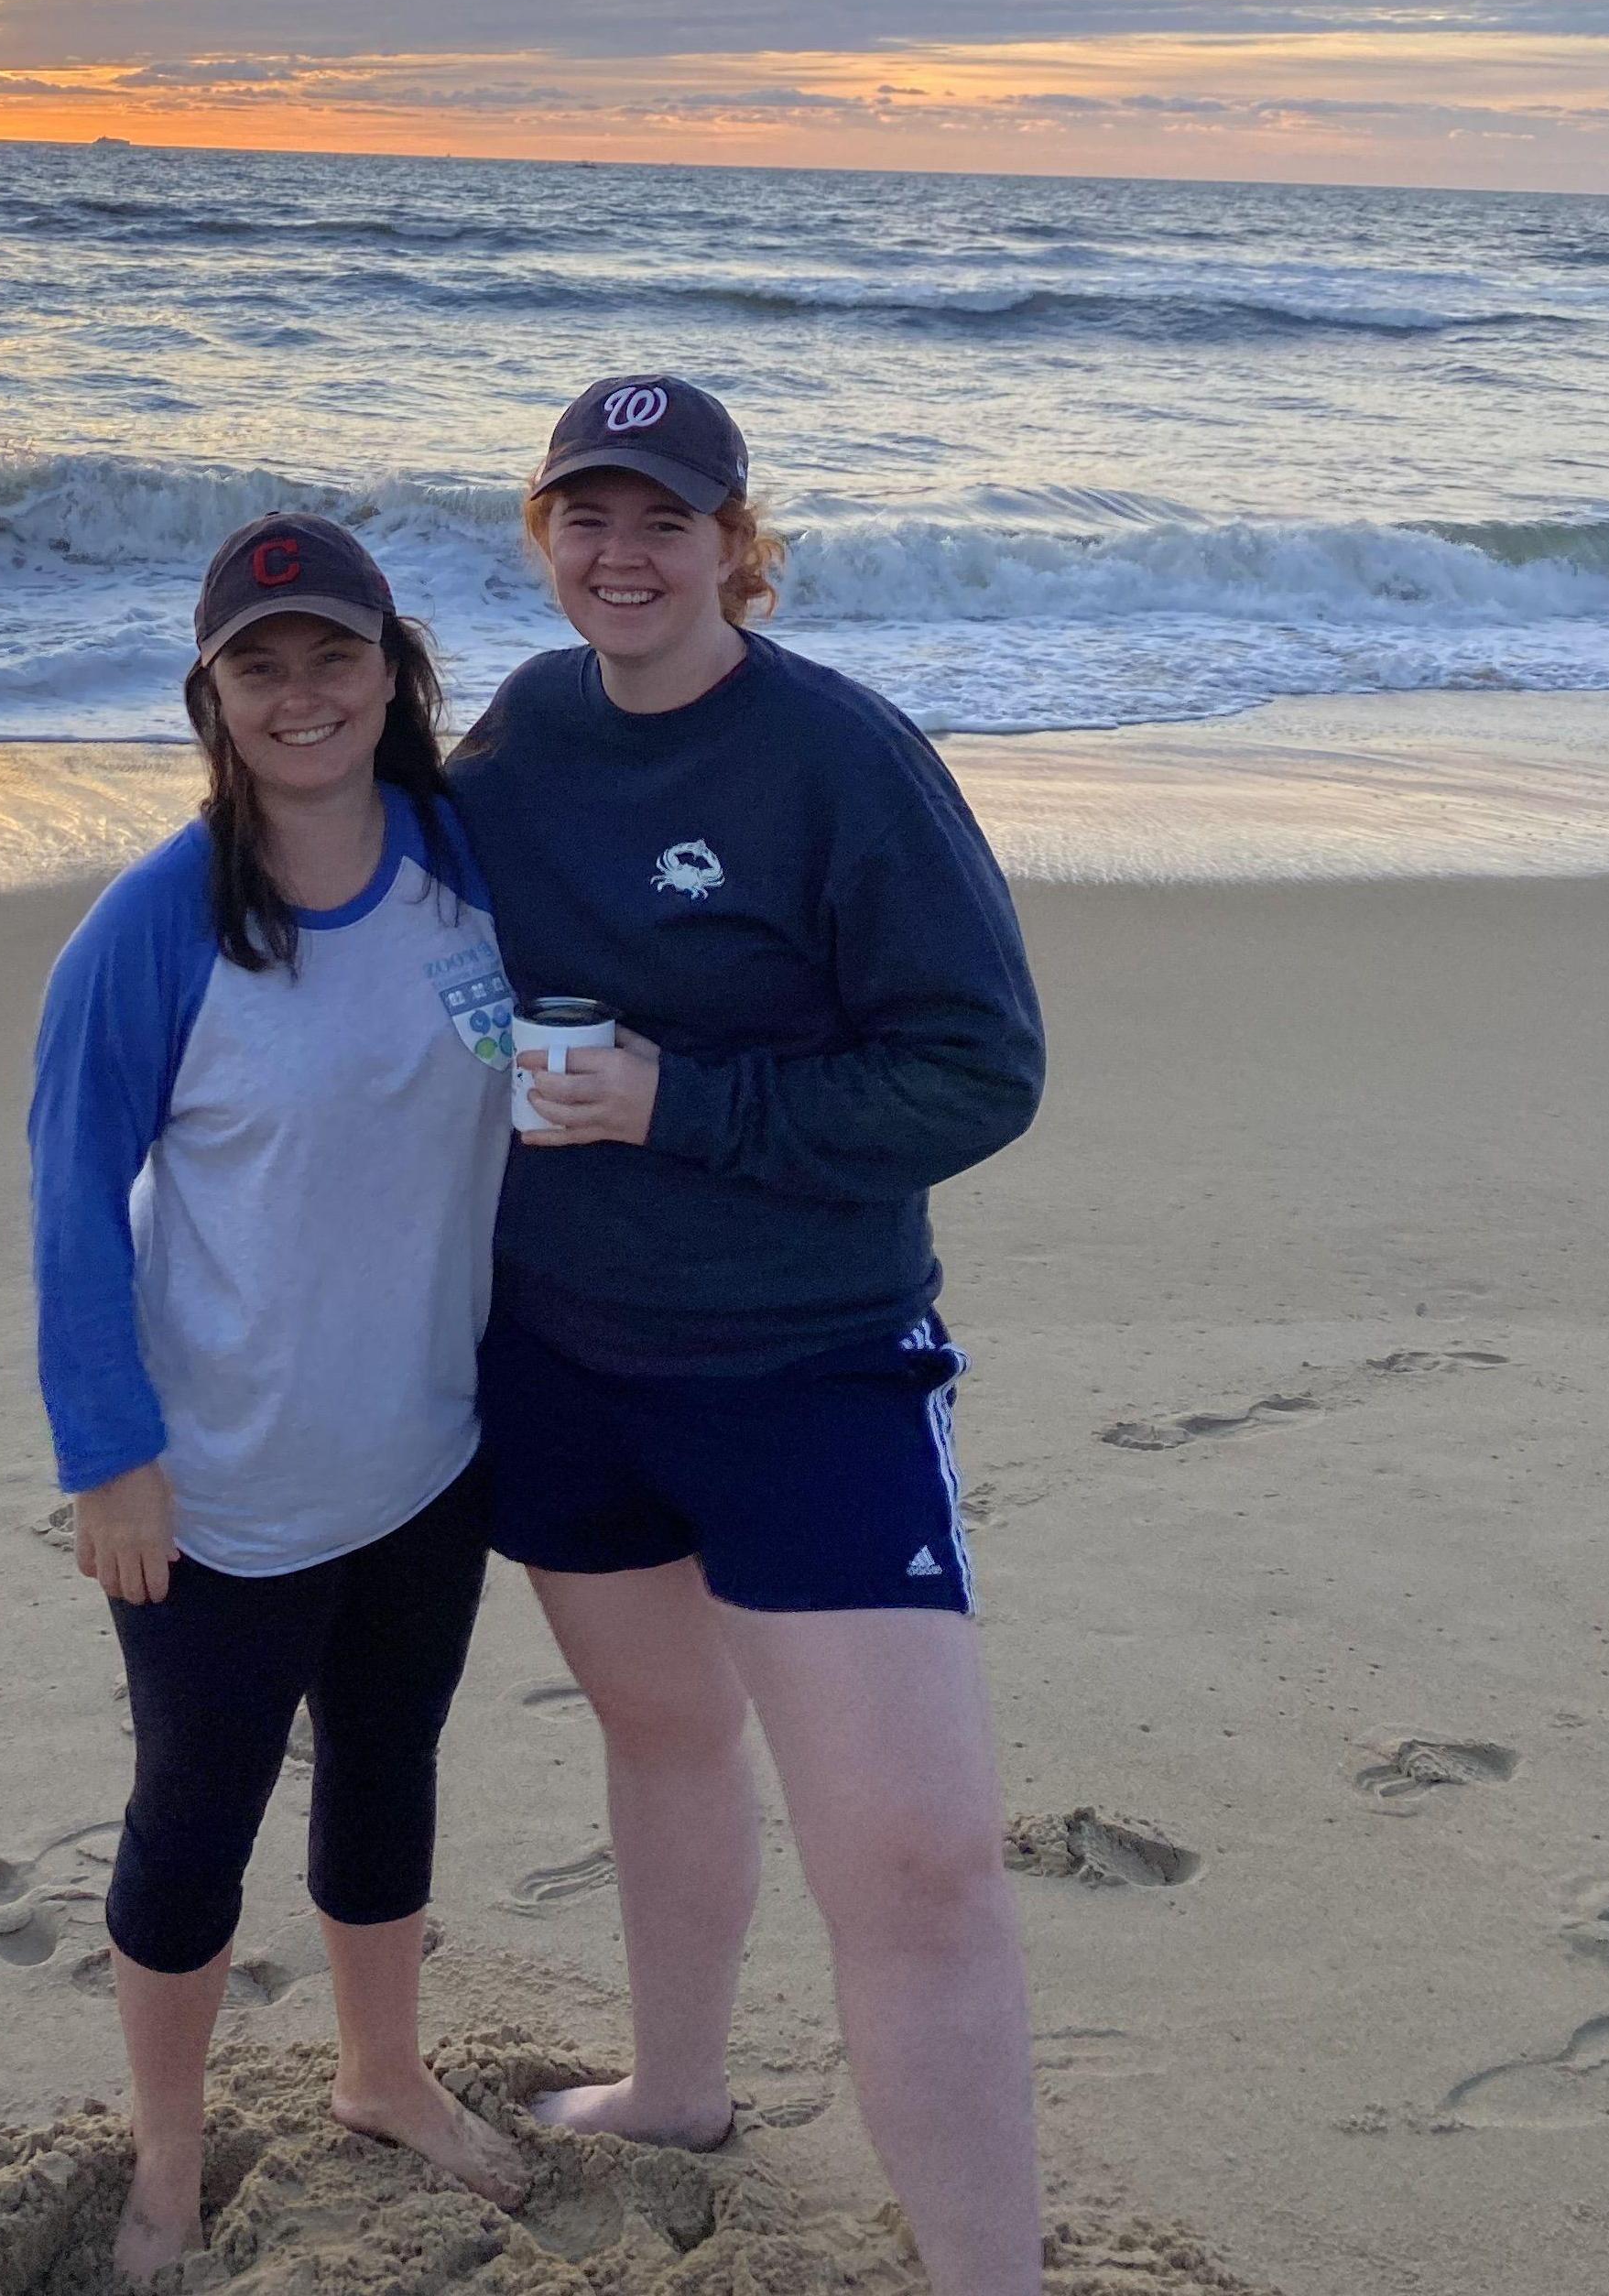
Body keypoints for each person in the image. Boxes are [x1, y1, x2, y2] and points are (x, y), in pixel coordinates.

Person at [448, 375, 1049, 2296]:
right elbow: (395, 912)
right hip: (557, 1353)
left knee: (916, 1862)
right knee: (657, 1726)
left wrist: (674, 1100)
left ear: (734, 546)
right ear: (543, 535)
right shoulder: (526, 731)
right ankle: (679, 2088)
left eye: (662, 523)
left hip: (811, 1373)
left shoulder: (840, 762)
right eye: (584, 518)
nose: (620, 558)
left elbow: (979, 1070)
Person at [27, 512, 528, 2280]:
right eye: (262, 664)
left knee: (387, 1765)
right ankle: (168, 2153)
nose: (301, 693)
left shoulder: (472, 861)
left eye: (335, 655)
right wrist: (110, 1460)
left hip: (430, 1451)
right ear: (211, 697)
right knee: (196, 1819)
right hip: (220, 1483)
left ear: (392, 672)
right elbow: (70, 1191)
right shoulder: (157, 925)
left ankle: (382, 2074)